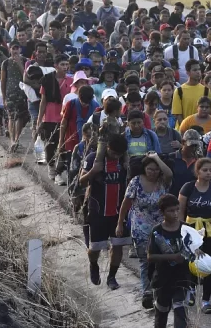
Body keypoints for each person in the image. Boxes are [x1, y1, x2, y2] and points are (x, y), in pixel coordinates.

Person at [117, 153, 173, 307]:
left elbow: (169, 173)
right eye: (150, 169)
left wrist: (156, 158)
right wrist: (120, 223)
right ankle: (147, 291)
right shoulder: (136, 182)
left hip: (161, 228)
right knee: (145, 261)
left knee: (161, 261)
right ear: (144, 169)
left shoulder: (163, 182)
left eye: (156, 169)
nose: (153, 172)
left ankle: (159, 290)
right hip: (140, 228)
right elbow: (126, 203)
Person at [80, 134, 130, 289]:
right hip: (97, 211)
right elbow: (81, 181)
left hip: (118, 212)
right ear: (107, 147)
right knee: (94, 248)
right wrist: (93, 171)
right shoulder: (94, 158)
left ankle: (111, 277)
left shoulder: (124, 162)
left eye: (119, 154)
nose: (116, 156)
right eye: (113, 153)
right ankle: (93, 265)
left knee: (118, 246)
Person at [178, 157, 211, 314]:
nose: (208, 173)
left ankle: (206, 301)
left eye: (210, 170)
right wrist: (181, 230)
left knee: (209, 264)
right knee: (191, 262)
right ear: (197, 171)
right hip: (191, 230)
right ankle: (190, 291)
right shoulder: (188, 187)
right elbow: (180, 210)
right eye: (204, 170)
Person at [147, 194, 195, 328]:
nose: (175, 214)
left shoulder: (186, 228)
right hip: (163, 279)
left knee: (180, 312)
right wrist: (172, 257)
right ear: (162, 212)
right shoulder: (157, 231)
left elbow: (195, 250)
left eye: (177, 210)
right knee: (161, 313)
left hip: (182, 278)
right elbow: (150, 256)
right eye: (170, 211)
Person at [1, 40, 29, 152]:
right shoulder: (5, 63)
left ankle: (17, 140)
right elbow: (3, 80)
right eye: (13, 48)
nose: (15, 51)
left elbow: (27, 76)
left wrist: (19, 64)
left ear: (20, 49)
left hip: (22, 93)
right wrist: (3, 97)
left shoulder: (25, 61)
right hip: (10, 93)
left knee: (20, 117)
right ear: (10, 50)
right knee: (11, 116)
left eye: (17, 48)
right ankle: (12, 140)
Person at [172, 59, 209, 130]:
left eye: (199, 69)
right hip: (184, 131)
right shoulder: (179, 90)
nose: (198, 72)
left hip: (202, 130)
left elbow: (208, 113)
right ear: (188, 72)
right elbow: (178, 115)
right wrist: (186, 130)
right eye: (195, 70)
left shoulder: (206, 90)